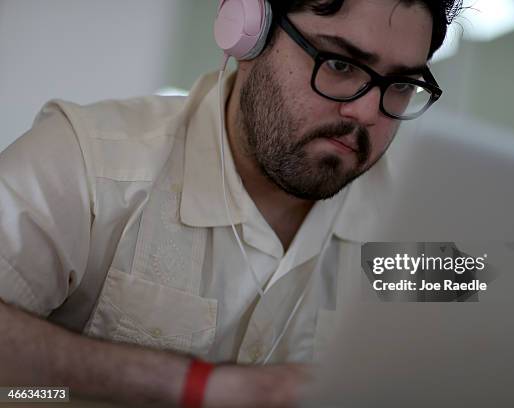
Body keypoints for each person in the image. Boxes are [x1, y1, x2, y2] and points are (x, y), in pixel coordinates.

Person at [0, 0, 462, 406]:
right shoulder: (88, 162)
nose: (366, 112)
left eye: (400, 84)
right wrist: (195, 387)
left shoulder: (419, 235)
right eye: (340, 64)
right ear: (247, 32)